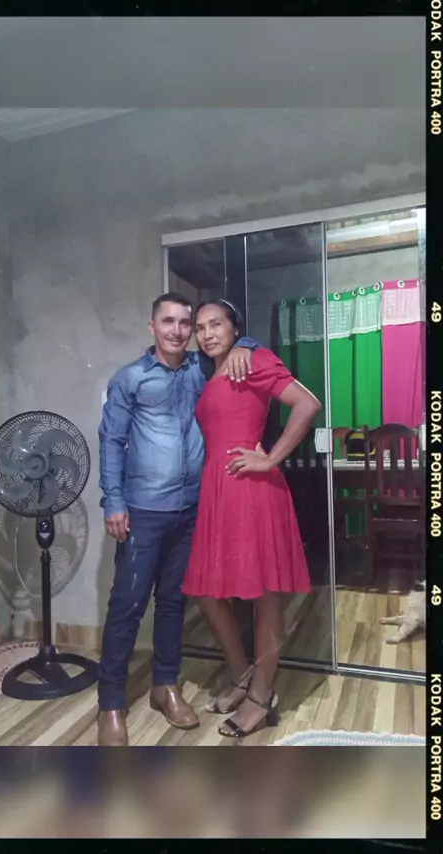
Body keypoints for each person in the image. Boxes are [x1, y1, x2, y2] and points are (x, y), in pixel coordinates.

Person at [97, 292, 260, 746]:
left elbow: (236, 346)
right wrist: (113, 501)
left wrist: (247, 343)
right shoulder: (130, 378)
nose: (178, 330)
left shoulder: (200, 369)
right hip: (143, 510)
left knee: (173, 603)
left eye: (185, 323)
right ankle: (110, 704)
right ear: (152, 326)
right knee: (127, 606)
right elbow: (111, 441)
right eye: (167, 321)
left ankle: (164, 687)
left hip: (191, 509)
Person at [182, 299, 321, 739]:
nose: (207, 334)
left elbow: (307, 404)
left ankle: (261, 696)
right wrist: (244, 342)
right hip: (217, 490)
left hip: (251, 488)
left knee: (266, 594)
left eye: (216, 324)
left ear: (234, 327)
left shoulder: (252, 360)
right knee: (205, 590)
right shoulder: (209, 371)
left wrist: (271, 459)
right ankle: (244, 675)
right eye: (200, 327)